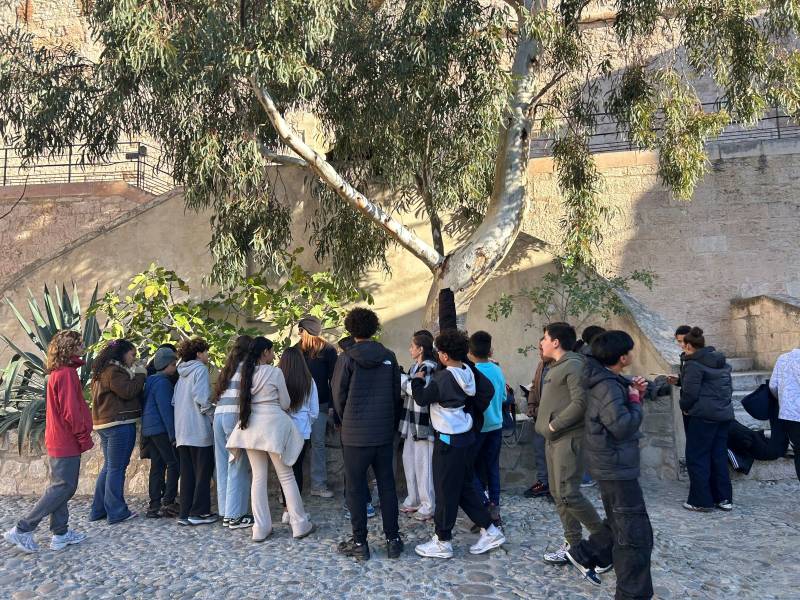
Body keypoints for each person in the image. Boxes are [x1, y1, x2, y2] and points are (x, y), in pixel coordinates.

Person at [565, 331, 653, 596]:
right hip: (616, 467)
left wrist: (637, 393)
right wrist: (636, 400)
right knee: (634, 535)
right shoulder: (607, 386)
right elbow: (621, 426)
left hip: (611, 465)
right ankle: (632, 593)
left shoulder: (607, 380)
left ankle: (585, 554)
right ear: (622, 357)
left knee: (619, 523)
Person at [412, 328, 506, 559]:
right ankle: (491, 529)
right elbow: (488, 391)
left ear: (443, 356)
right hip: (465, 436)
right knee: (464, 488)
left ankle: (443, 540)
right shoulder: (468, 372)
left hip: (448, 440)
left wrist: (416, 381)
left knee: (445, 491)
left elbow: (422, 398)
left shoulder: (444, 377)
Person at [3, 331, 93, 553]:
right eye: (79, 344)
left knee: (60, 486)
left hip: (59, 438)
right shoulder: (67, 374)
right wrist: (83, 436)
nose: (83, 347)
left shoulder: (59, 373)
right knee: (64, 487)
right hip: (66, 440)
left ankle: (60, 533)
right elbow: (71, 410)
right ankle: (23, 528)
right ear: (69, 347)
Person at [226, 337, 315, 542]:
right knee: (286, 476)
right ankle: (299, 524)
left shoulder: (245, 374)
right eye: (272, 351)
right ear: (265, 352)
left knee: (258, 478)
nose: (274, 354)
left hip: (250, 428)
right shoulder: (275, 372)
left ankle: (260, 527)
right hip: (273, 428)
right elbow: (285, 403)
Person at [333, 308, 403, 561]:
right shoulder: (389, 357)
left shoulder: (346, 358)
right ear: (374, 328)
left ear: (351, 329)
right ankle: (393, 539)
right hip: (383, 432)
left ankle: (360, 542)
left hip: (354, 435)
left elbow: (339, 395)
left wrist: (344, 421)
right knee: (387, 486)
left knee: (356, 488)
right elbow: (396, 394)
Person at [536, 322, 604, 566]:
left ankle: (605, 540)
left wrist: (555, 425)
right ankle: (573, 545)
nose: (541, 342)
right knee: (558, 494)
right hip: (553, 440)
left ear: (556, 341)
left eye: (544, 338)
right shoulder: (557, 365)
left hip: (567, 439)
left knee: (569, 494)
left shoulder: (574, 365)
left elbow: (580, 402)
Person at [89, 338, 146, 524]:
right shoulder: (114, 371)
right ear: (122, 354)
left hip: (106, 424)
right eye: (132, 355)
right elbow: (128, 391)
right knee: (116, 468)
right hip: (118, 424)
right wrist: (140, 374)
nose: (134, 359)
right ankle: (116, 511)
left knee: (110, 467)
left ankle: (98, 509)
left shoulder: (102, 371)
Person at [679, 327, 734, 511]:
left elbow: (690, 393)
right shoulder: (721, 362)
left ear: (688, 345)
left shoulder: (693, 364)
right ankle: (724, 498)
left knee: (697, 457)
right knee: (718, 455)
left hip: (702, 416)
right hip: (723, 414)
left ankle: (701, 500)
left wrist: (685, 408)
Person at [173, 337, 217, 525]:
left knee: (187, 473)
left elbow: (174, 401)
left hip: (182, 431)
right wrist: (213, 416)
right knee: (202, 472)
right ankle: (199, 512)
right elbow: (202, 398)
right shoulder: (200, 370)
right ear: (199, 353)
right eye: (206, 351)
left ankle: (185, 512)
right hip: (198, 430)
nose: (207, 355)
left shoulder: (181, 375)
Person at [213, 335, 254, 529]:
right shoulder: (248, 367)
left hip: (218, 416)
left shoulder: (227, 369)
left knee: (222, 465)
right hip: (233, 418)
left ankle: (226, 511)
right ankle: (235, 515)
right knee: (238, 463)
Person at [296, 316, 338, 499]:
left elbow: (334, 380)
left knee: (318, 444)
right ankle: (291, 488)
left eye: (300, 330)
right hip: (297, 404)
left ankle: (318, 485)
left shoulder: (328, 350)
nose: (298, 333)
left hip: (320, 403)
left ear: (306, 331)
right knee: (296, 445)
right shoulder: (295, 351)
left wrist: (332, 405)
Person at [399, 331, 438, 521]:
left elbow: (419, 393)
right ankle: (413, 498)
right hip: (411, 423)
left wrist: (401, 379)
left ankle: (428, 504)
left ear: (420, 348)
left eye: (412, 346)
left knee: (424, 466)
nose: (410, 349)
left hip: (423, 423)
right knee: (409, 460)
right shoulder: (415, 366)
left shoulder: (429, 367)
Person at [278, 346, 319, 523]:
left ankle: (286, 510)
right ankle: (295, 510)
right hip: (302, 431)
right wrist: (305, 423)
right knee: (297, 470)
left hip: (282, 429)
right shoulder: (309, 381)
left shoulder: (278, 378)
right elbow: (314, 411)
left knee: (284, 471)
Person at [468, 330, 506, 524]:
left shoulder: (472, 372)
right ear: (489, 350)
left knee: (469, 468)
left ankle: (484, 503)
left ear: (470, 351)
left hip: (478, 428)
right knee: (492, 467)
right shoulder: (497, 369)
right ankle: (495, 505)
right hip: (496, 425)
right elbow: (505, 397)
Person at [141, 346, 180, 519]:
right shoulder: (164, 383)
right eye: (173, 364)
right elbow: (166, 410)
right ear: (167, 365)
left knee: (157, 466)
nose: (175, 368)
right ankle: (168, 501)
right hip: (161, 429)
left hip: (150, 429)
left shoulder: (150, 381)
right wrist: (173, 435)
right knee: (173, 464)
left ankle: (154, 504)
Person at [525, 337, 553, 499]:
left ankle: (555, 488)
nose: (540, 353)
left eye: (542, 349)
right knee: (539, 450)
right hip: (540, 418)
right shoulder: (541, 365)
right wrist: (531, 405)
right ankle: (544, 482)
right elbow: (535, 386)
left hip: (554, 419)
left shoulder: (561, 368)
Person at [769, 346, 800, 481]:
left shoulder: (783, 359)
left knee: (798, 452)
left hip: (790, 414)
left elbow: (773, 385)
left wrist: (784, 400)